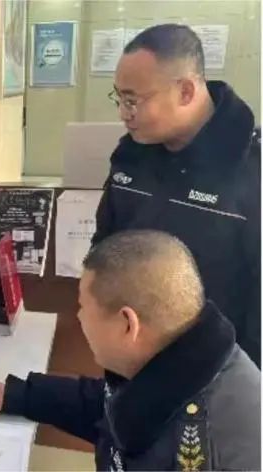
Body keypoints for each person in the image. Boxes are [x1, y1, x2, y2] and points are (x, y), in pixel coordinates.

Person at [0, 230, 260, 471]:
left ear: (127, 324)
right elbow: (113, 408)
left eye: (83, 307)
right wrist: (24, 396)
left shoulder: (208, 453)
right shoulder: (175, 355)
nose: (79, 317)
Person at [92, 24, 260, 366]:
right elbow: (105, 243)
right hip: (133, 357)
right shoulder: (131, 155)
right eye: (119, 98)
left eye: (133, 100)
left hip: (215, 372)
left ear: (185, 92)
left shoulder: (250, 169)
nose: (124, 113)